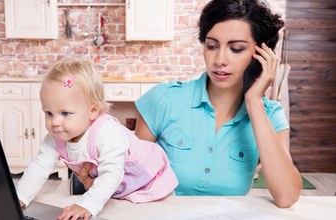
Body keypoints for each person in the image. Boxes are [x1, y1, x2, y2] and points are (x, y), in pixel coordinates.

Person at [134, 0, 302, 208]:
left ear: (261, 55)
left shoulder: (270, 115)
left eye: (236, 49)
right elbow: (130, 178)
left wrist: (254, 103)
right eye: (212, 46)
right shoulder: (163, 100)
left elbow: (286, 196)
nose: (219, 59)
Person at [16, 58, 178, 220]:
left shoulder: (108, 132)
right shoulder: (56, 137)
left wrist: (86, 204)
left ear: (92, 111)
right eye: (49, 113)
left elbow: (112, 173)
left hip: (149, 182)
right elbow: (39, 166)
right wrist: (20, 197)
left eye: (65, 113)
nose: (55, 122)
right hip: (116, 191)